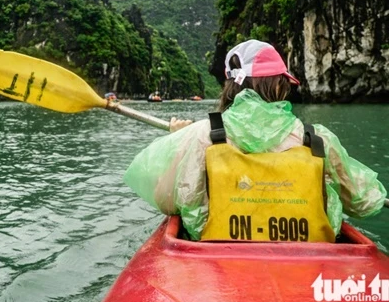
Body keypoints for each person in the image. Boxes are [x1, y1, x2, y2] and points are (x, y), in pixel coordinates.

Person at [124, 39, 386, 242]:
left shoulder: (203, 135)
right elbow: (364, 203)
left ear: (230, 87)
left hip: (220, 258)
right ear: (280, 85)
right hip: (308, 257)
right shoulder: (317, 139)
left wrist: (178, 144)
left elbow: (165, 200)